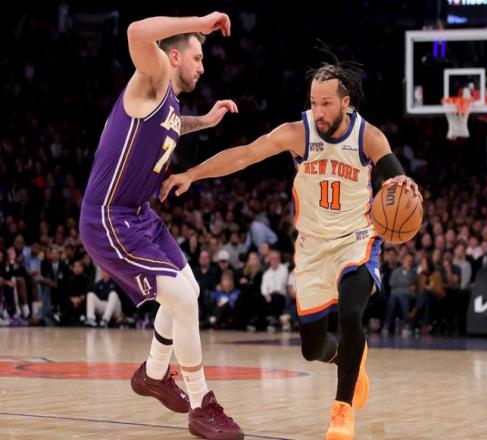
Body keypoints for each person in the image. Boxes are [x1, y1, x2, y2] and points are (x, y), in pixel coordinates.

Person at [162, 57, 422, 440]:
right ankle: (351, 357)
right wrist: (191, 174)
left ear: (346, 102)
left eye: (326, 103)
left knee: (351, 314)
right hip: (312, 247)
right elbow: (245, 154)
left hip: (356, 240)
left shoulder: (369, 137)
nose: (318, 111)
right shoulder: (298, 133)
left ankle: (342, 410)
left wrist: (405, 185)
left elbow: (396, 178)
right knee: (312, 348)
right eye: (314, 102)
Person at [79, 12, 243, 440]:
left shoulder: (168, 102)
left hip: (140, 215)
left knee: (190, 289)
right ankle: (202, 405)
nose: (202, 66)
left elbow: (171, 125)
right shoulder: (151, 77)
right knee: (183, 301)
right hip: (109, 217)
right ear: (173, 57)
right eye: (197, 57)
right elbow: (136, 32)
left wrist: (204, 122)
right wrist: (201, 21)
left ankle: (153, 373)